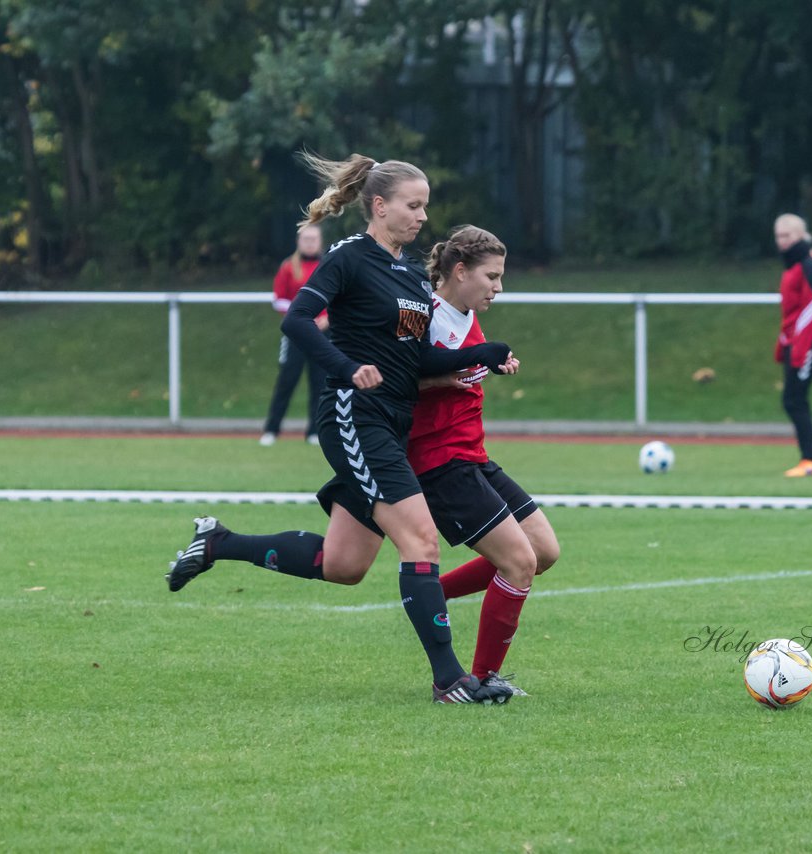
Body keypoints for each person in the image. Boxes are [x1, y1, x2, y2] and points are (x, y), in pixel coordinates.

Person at [164, 153, 517, 705]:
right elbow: (297, 320)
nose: (423, 217)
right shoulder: (349, 258)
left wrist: (483, 354)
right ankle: (451, 680)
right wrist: (346, 369)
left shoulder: (407, 274)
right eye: (413, 205)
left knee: (344, 565)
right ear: (379, 206)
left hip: (392, 423)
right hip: (356, 415)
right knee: (422, 540)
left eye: (425, 205)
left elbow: (414, 359)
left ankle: (218, 542)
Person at [409, 225, 560, 695]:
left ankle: (433, 596)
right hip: (439, 462)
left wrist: (491, 363)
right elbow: (399, 379)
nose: (499, 287)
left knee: (544, 553)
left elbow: (465, 365)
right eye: (492, 276)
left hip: (473, 456)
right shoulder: (420, 313)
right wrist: (446, 379)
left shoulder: (467, 314)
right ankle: (481, 678)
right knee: (518, 563)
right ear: (459, 271)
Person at [260, 224, 327, 447]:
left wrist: (324, 320)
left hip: (322, 334)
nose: (309, 242)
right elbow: (278, 298)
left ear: (320, 241)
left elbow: (338, 300)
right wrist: (300, 318)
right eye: (306, 239)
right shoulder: (289, 267)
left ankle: (315, 432)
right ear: (299, 241)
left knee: (320, 382)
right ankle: (271, 429)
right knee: (286, 381)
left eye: (313, 239)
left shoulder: (328, 266)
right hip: (296, 334)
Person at [773, 213, 812, 477]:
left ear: (800, 235)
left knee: (794, 399)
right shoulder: (793, 265)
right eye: (778, 236)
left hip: (808, 342)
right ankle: (811, 458)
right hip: (795, 341)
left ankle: (811, 460)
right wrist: (783, 341)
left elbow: (811, 309)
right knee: (793, 399)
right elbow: (791, 312)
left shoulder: (808, 264)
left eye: (787, 236)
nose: (782, 241)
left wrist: (799, 348)